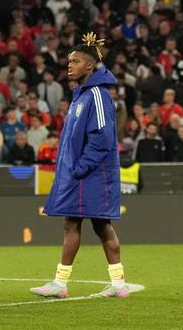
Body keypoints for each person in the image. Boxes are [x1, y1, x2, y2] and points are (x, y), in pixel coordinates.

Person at [31, 33, 128, 299]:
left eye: (75, 61)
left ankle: (61, 283)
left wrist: (80, 168)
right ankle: (118, 284)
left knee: (77, 223)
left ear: (89, 65)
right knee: (100, 226)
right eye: (68, 61)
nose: (69, 66)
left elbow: (103, 138)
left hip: (92, 174)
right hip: (86, 173)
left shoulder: (97, 94)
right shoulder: (82, 95)